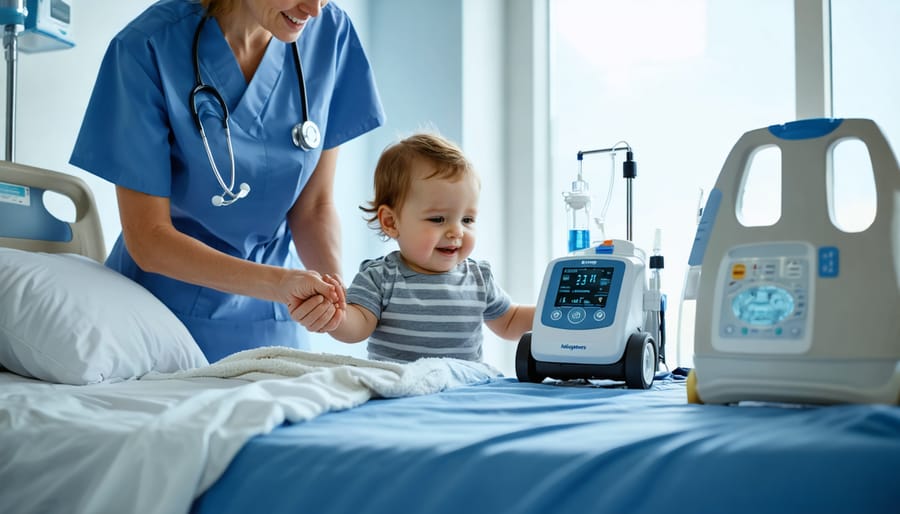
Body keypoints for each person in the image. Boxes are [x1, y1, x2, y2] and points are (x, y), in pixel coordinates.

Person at [69, 0, 385, 363]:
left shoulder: (330, 33)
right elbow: (148, 238)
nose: (313, 9)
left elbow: (313, 207)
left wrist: (331, 299)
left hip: (276, 324)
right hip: (158, 326)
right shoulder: (147, 47)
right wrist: (279, 284)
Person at [291, 133, 535, 363]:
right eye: (438, 219)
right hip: (403, 394)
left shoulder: (478, 278)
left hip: (462, 392)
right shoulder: (380, 278)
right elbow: (357, 326)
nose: (457, 232)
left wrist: (555, 313)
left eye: (467, 220)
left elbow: (510, 321)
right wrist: (337, 316)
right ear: (391, 222)